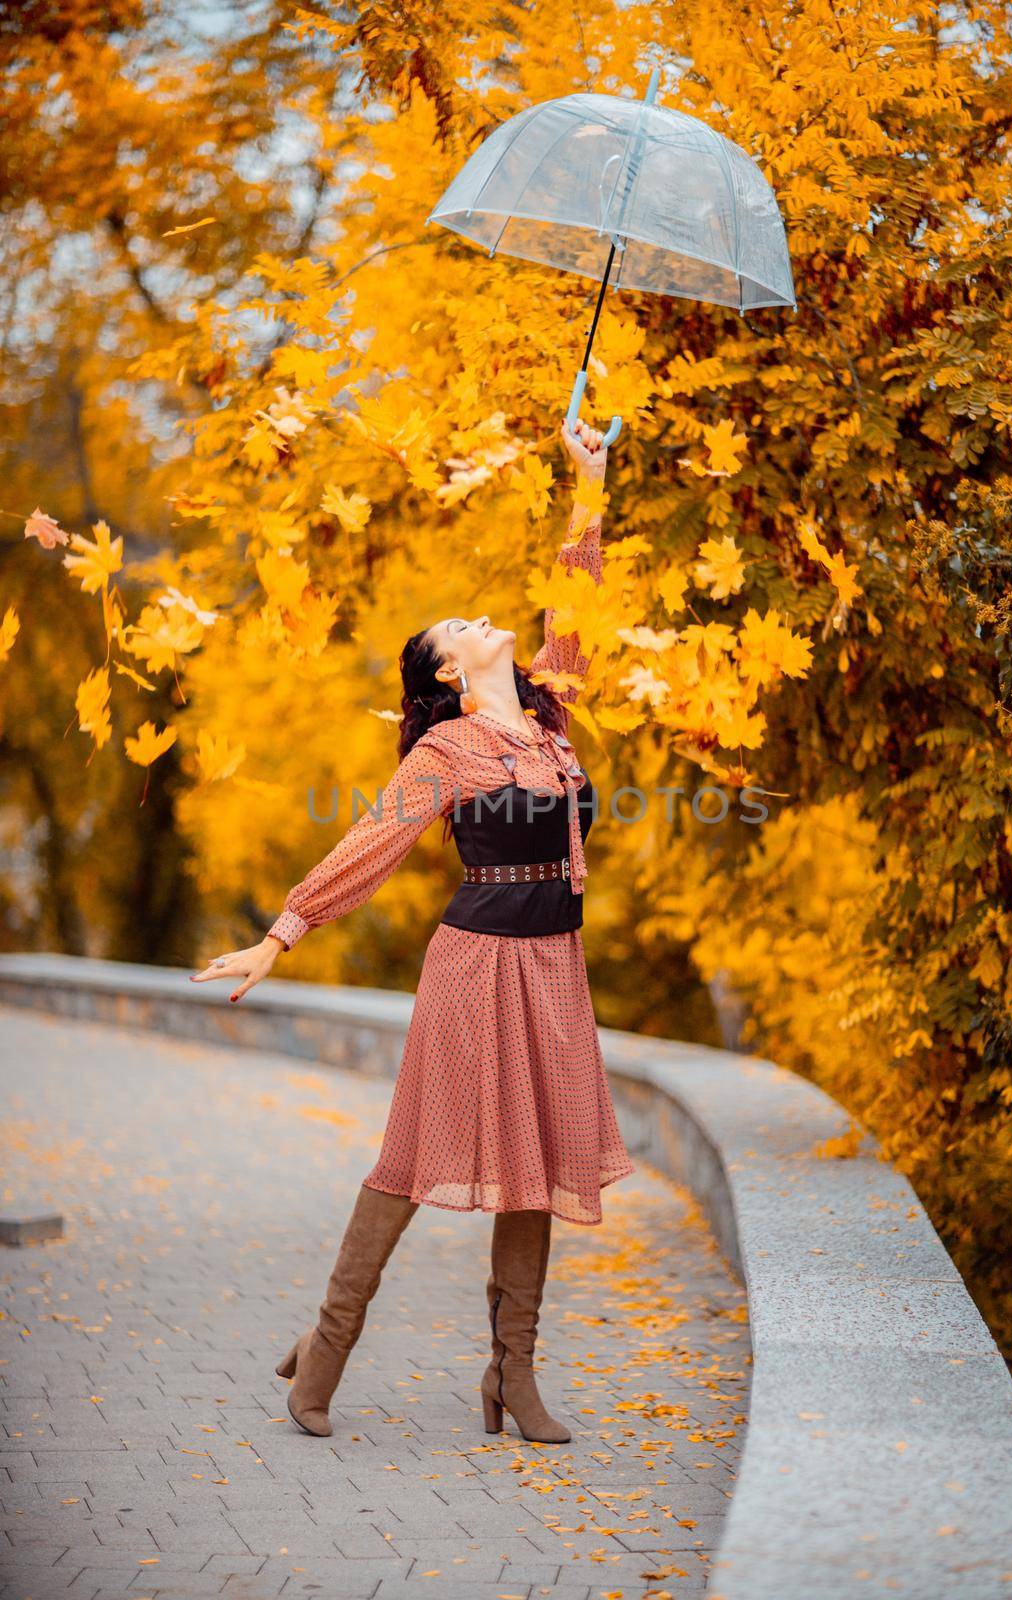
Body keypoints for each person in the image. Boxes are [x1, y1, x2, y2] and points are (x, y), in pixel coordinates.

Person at [191, 417, 636, 1445]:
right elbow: (370, 842)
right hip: (475, 968)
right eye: (461, 625)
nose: (484, 620)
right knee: (410, 1156)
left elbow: (576, 601)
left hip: (554, 967)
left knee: (539, 1166)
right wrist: (282, 931)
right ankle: (326, 1350)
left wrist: (589, 484)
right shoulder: (445, 749)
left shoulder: (548, 716)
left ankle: (510, 1378)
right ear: (443, 673)